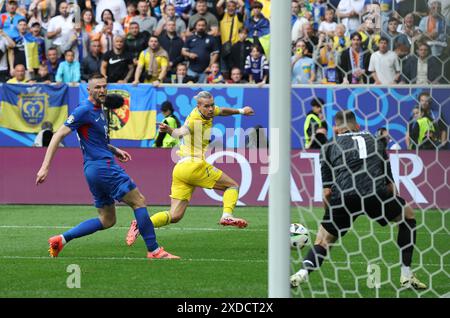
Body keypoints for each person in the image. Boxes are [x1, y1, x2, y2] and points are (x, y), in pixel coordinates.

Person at [35, 74, 178, 260]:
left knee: (107, 220)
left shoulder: (99, 110)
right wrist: (45, 167)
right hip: (104, 167)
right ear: (89, 89)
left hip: (93, 169)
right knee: (139, 201)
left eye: (104, 87)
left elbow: (95, 141)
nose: (102, 90)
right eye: (97, 87)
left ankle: (61, 239)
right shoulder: (84, 110)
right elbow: (58, 135)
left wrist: (114, 149)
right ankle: (154, 250)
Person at [290, 110, 427, 290]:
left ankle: (302, 273)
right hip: (375, 194)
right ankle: (406, 275)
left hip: (344, 197)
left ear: (336, 129)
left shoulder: (329, 146)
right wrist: (393, 204)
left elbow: (327, 193)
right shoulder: (376, 141)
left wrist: (330, 215)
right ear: (358, 126)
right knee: (408, 215)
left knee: (323, 241)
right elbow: (390, 186)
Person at [125, 91, 255, 246]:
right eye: (207, 106)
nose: (211, 109)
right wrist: (170, 131)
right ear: (198, 106)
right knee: (232, 185)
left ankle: (141, 224)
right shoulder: (194, 120)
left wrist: (241, 111)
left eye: (212, 105)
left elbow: (223, 111)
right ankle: (227, 215)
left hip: (181, 169)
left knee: (175, 215)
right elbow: (181, 132)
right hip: (194, 165)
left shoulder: (210, 111)